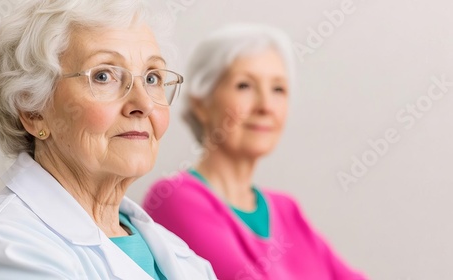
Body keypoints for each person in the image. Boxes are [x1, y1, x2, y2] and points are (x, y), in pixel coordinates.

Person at [0, 1, 218, 279]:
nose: (143, 104)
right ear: (33, 112)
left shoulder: (176, 253)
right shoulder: (3, 251)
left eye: (152, 78)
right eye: (104, 76)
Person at [143, 23, 366, 280]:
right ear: (201, 103)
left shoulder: (286, 209)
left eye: (278, 89)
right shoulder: (174, 198)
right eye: (244, 86)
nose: (266, 106)